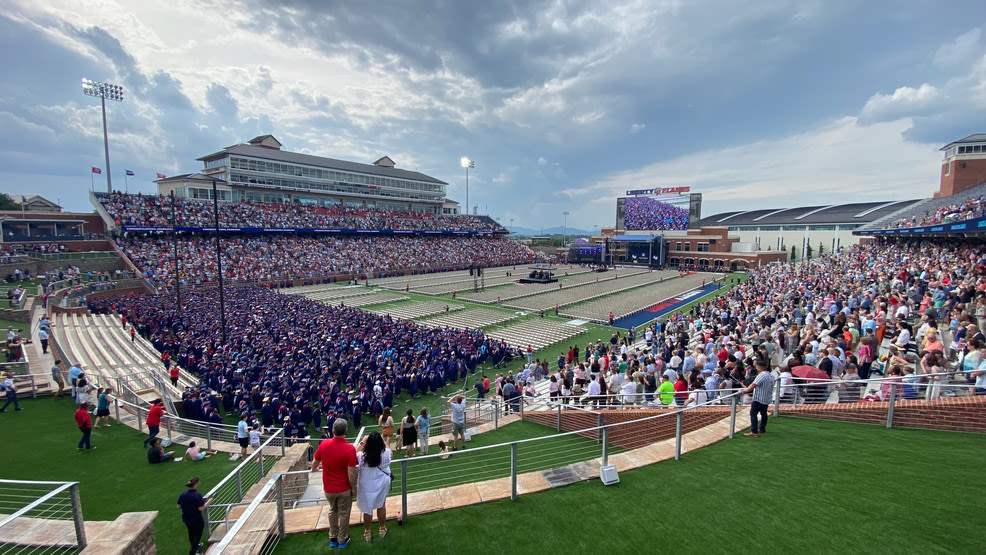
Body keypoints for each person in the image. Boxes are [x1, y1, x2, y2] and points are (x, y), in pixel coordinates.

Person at [311, 419, 358, 549]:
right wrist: (354, 488)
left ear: (332, 431)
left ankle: (333, 537)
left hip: (329, 489)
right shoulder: (349, 448)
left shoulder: (324, 444)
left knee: (332, 510)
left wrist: (314, 469)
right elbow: (351, 472)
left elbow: (315, 462)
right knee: (343, 513)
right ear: (346, 431)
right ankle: (342, 539)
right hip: (343, 488)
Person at [356, 431, 391, 542]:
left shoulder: (362, 457)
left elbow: (353, 452)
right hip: (382, 483)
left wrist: (363, 441)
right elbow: (389, 450)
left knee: (367, 509)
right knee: (381, 505)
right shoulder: (385, 454)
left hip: (366, 485)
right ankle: (382, 528)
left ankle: (368, 531)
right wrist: (382, 440)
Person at [177, 476, 212, 555]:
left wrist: (187, 505)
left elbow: (178, 506)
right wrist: (209, 501)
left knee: (191, 533)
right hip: (196, 519)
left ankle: (196, 547)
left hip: (186, 519)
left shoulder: (183, 494)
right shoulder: (197, 495)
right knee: (197, 535)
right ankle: (193, 552)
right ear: (196, 484)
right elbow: (201, 508)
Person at [741, 359, 775, 437]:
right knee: (763, 413)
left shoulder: (761, 375)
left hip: (759, 398)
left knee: (753, 413)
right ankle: (762, 429)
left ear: (759, 367)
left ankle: (754, 431)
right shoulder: (771, 375)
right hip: (766, 398)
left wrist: (746, 390)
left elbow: (753, 384)